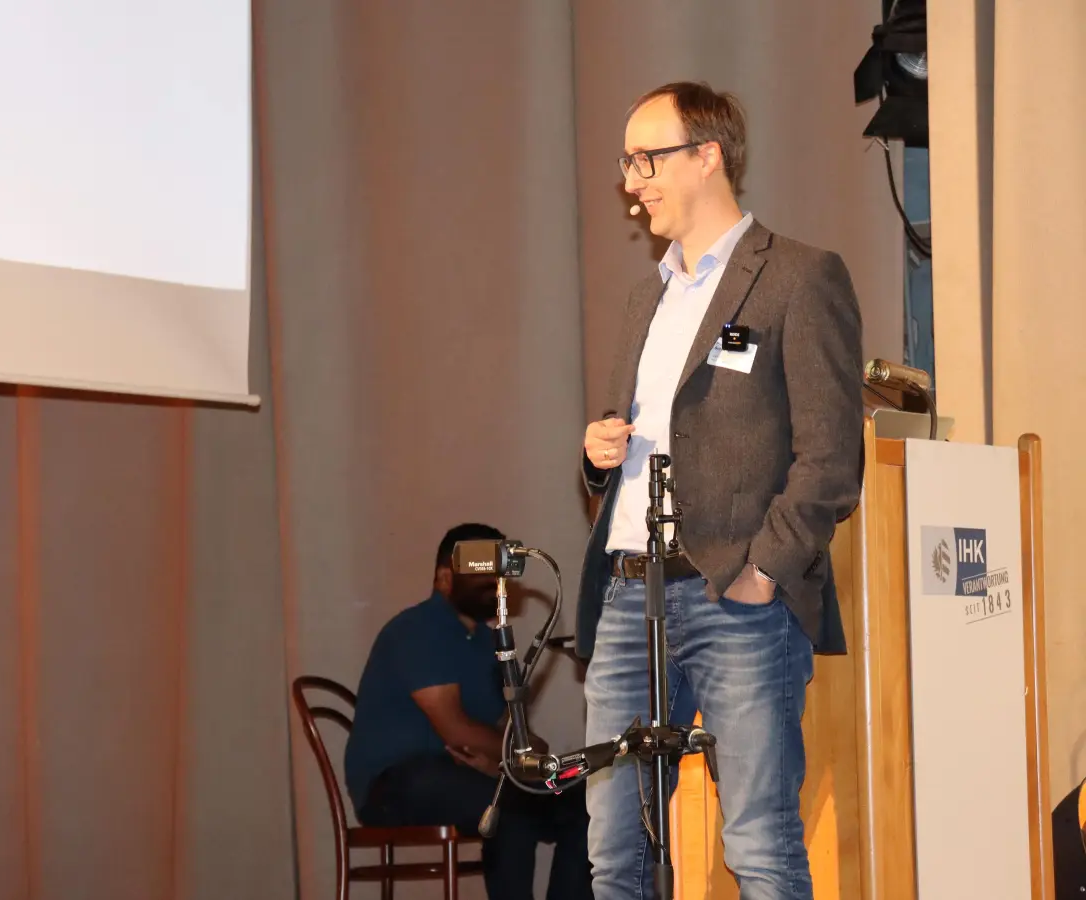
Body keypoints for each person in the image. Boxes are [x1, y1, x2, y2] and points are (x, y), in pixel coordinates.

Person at [575, 82, 863, 899]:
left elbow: (831, 458)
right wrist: (599, 456)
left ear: (708, 156)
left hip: (738, 597)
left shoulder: (800, 278)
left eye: (646, 158)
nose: (632, 180)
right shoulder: (646, 297)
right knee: (615, 850)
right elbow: (647, 439)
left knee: (760, 841)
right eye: (626, 163)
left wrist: (763, 571)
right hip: (631, 597)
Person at [345, 522, 594, 899]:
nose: (496, 579)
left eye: (499, 568)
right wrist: (509, 761)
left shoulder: (484, 641)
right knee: (509, 807)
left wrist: (515, 761)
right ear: (445, 578)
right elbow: (457, 732)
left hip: (461, 775)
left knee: (587, 806)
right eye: (481, 570)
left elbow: (516, 738)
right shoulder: (417, 629)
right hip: (395, 783)